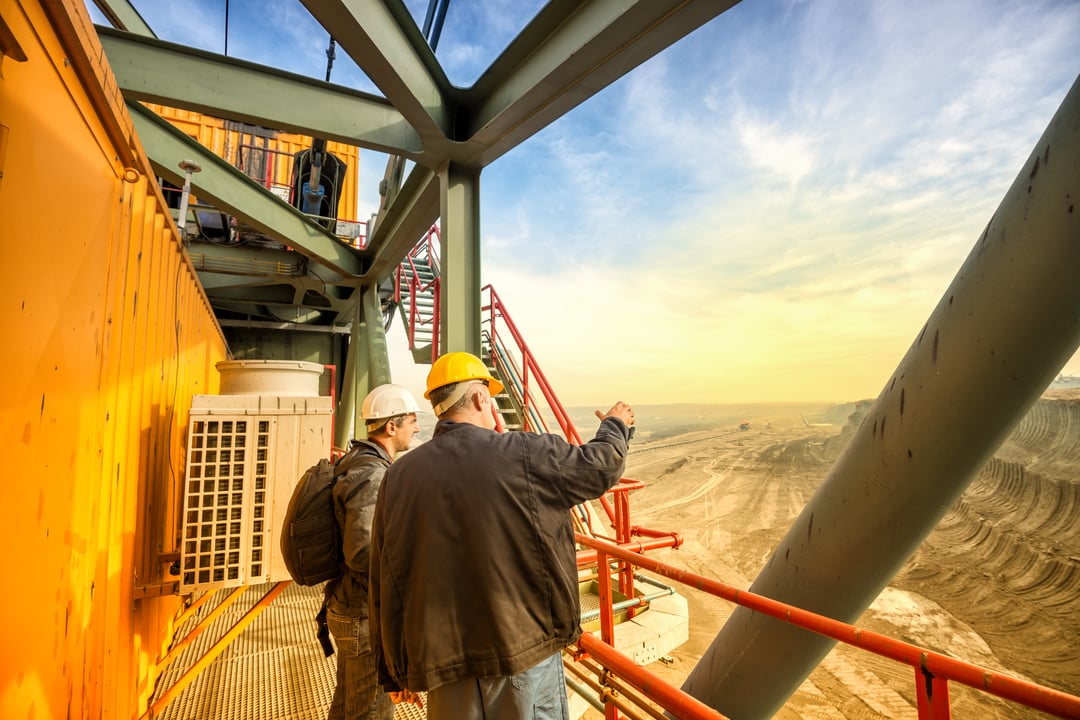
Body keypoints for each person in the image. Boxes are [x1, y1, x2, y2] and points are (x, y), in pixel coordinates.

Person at [368, 351, 636, 720]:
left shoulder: (398, 476)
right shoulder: (525, 453)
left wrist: (391, 670)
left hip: (445, 667)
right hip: (522, 652)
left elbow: (383, 580)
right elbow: (600, 468)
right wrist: (616, 426)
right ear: (481, 398)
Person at [325, 383, 422, 720]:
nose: (418, 427)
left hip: (347, 605)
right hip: (362, 617)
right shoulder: (373, 475)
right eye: (411, 420)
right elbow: (364, 552)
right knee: (372, 712)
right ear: (391, 427)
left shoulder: (356, 460)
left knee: (347, 706)